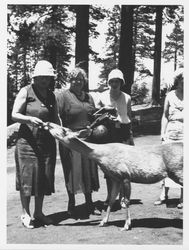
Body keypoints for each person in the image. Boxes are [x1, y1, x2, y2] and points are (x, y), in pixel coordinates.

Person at [12, 60, 60, 229]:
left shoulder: (51, 95)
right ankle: (25, 213)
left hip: (46, 143)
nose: (44, 80)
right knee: (27, 179)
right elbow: (14, 114)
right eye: (41, 77)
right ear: (35, 77)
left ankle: (39, 212)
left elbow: (56, 118)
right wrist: (29, 119)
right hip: (27, 143)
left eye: (47, 77)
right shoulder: (26, 92)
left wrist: (62, 131)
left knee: (43, 178)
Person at [55, 67, 101, 217]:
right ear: (70, 80)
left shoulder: (89, 97)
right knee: (71, 171)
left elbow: (93, 116)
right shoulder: (63, 96)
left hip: (88, 140)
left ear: (84, 81)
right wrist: (67, 133)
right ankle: (71, 203)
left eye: (80, 79)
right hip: (70, 139)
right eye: (74, 79)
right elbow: (57, 118)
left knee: (88, 171)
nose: (77, 82)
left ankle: (89, 202)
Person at [96, 68, 134, 206]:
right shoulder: (102, 97)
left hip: (123, 133)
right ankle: (110, 196)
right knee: (110, 168)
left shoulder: (127, 97)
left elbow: (129, 116)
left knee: (124, 167)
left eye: (117, 81)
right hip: (108, 134)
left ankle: (123, 197)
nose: (114, 84)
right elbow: (96, 116)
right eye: (112, 81)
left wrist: (130, 135)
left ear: (121, 82)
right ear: (108, 82)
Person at [154, 68, 183, 209]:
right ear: (177, 81)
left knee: (183, 167)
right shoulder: (170, 95)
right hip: (171, 132)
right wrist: (162, 133)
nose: (184, 83)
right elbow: (165, 116)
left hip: (185, 134)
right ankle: (164, 195)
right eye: (181, 80)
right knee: (167, 165)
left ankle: (183, 198)